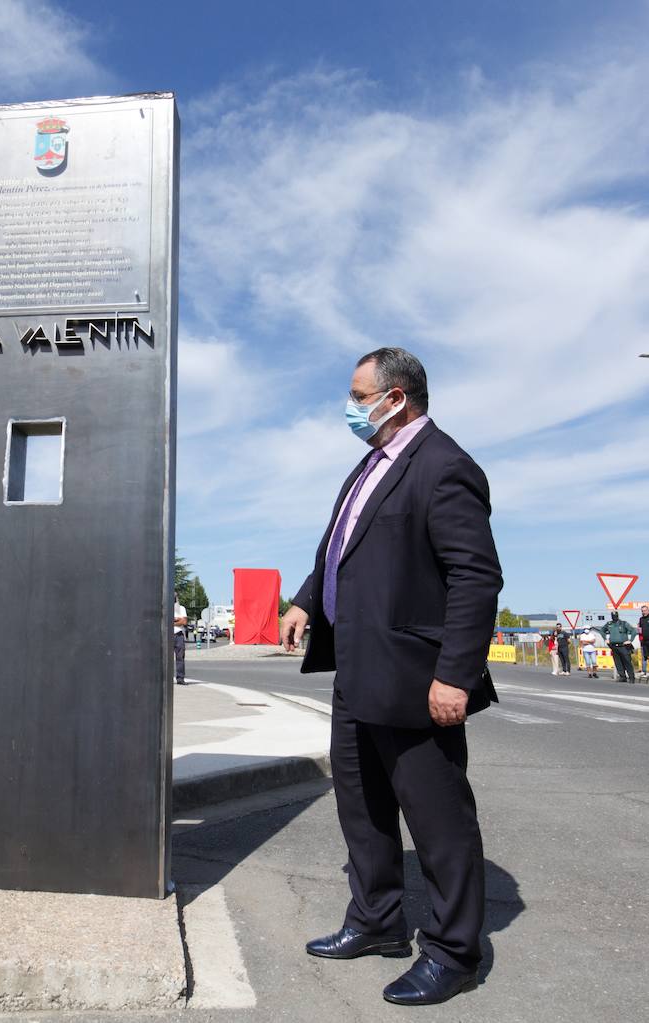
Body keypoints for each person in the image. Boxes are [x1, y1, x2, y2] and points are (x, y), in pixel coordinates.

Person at [280, 348, 501, 1007]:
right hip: (357, 670)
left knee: (438, 820)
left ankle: (454, 950)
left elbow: (475, 576)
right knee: (363, 807)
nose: (350, 406)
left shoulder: (444, 466)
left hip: (416, 678)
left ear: (396, 397)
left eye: (359, 393)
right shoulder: (368, 467)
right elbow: (339, 548)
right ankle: (377, 921)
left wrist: (455, 675)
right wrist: (306, 598)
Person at [604, 611, 636, 684]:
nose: (614, 617)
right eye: (613, 616)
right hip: (614, 646)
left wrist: (630, 640)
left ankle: (631, 677)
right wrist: (605, 639)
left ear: (617, 616)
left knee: (627, 662)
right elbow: (602, 631)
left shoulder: (623, 623)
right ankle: (622, 677)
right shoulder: (609, 624)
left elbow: (633, 631)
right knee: (618, 662)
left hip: (623, 646)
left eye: (615, 616)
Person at [173, 599, 188, 685]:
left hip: (179, 635)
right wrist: (177, 620)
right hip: (166, 634)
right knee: (164, 658)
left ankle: (180, 678)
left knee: (180, 657)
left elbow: (184, 621)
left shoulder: (181, 608)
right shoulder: (165, 608)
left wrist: (172, 622)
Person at [639, 605, 649, 681]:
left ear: (648, 610)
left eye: (645, 610)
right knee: (644, 657)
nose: (643, 612)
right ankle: (644, 671)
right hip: (644, 641)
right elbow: (640, 629)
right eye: (642, 611)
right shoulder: (641, 619)